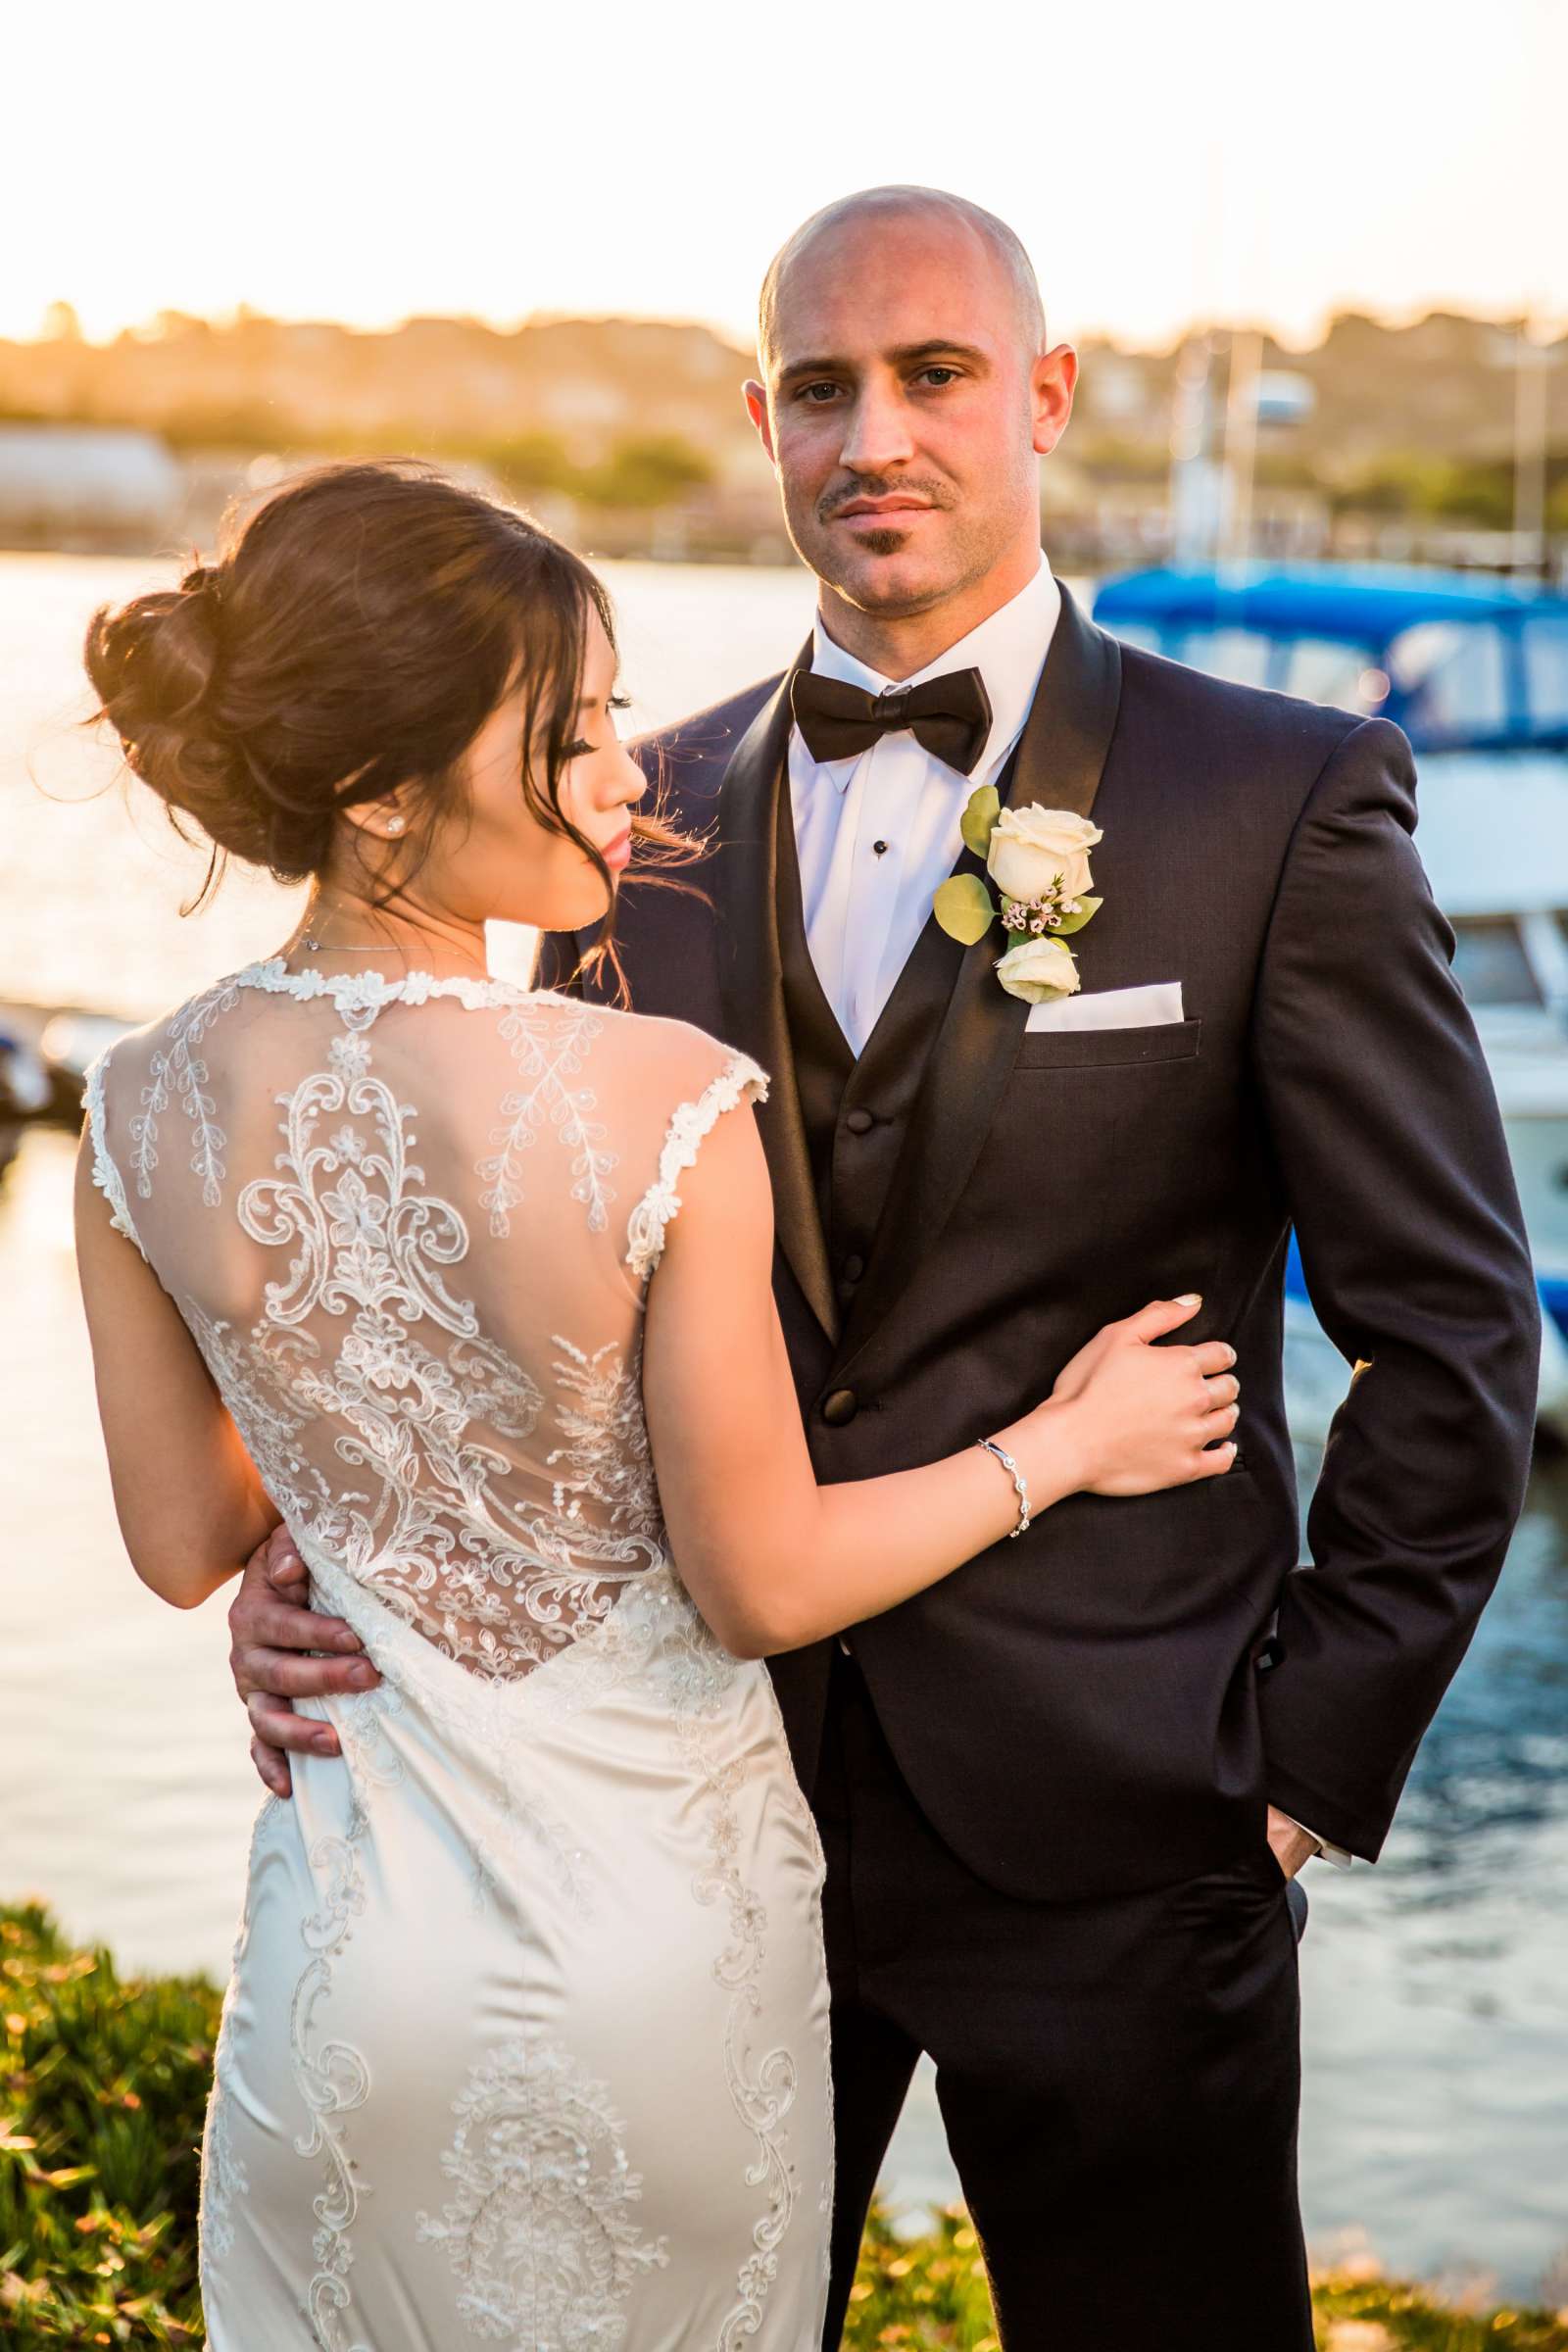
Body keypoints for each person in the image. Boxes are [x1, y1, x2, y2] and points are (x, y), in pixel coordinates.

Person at [231, 189, 1541, 2349]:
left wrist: (1297, 1775)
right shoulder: (608, 821)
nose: (876, 439)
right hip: (680, 1820)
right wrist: (325, 1565)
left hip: (1135, 1825)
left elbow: (1451, 1332)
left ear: (1038, 400)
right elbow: (508, 1317)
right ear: (761, 419)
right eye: (822, 389)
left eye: (933, 377)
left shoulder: (1276, 799)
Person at [76, 459, 1246, 2348]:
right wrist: (1069, 1447)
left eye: (615, 717)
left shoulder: (135, 1104)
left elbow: (183, 1542)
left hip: (340, 1969)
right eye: (574, 729)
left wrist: (358, 1483)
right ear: (382, 791)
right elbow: (762, 1582)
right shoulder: (661, 1101)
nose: (629, 771)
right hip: (656, 1966)